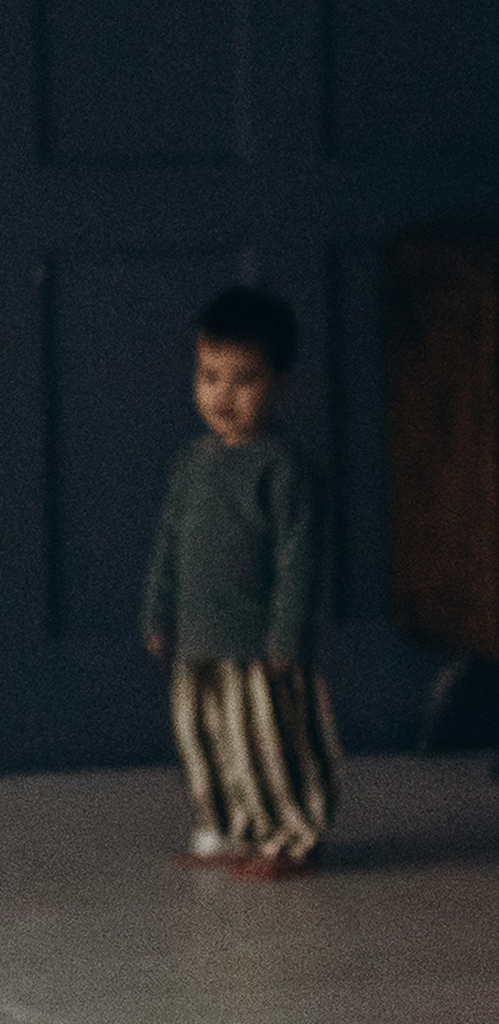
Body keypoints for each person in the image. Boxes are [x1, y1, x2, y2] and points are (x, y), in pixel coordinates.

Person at [143, 284, 340, 875]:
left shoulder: (282, 468)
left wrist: (285, 636)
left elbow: (296, 559)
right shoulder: (190, 465)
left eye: (243, 379)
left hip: (258, 645)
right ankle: (230, 827)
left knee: (271, 747)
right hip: (199, 639)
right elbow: (169, 547)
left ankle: (290, 835)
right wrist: (158, 613)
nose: (222, 394)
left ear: (279, 381)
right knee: (206, 741)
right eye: (209, 376)